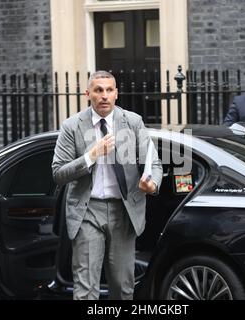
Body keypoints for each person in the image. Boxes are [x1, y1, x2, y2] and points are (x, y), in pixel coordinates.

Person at [52, 70, 163, 300]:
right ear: (88, 94)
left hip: (124, 212)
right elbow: (58, 173)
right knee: (85, 289)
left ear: (116, 94)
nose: (104, 95)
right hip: (87, 211)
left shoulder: (132, 122)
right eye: (98, 90)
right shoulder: (72, 126)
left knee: (123, 287)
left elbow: (155, 164)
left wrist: (151, 185)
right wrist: (90, 156)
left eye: (109, 90)